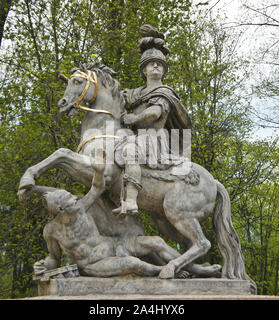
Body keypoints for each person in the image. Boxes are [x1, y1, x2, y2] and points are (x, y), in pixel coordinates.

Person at [33, 150, 221, 278]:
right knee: (133, 264)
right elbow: (53, 259)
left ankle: (196, 268)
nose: (75, 198)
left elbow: (97, 187)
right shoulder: (52, 231)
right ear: (61, 209)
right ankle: (165, 270)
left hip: (115, 245)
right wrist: (43, 265)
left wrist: (98, 170)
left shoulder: (81, 207)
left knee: (155, 241)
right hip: (96, 262)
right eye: (70, 200)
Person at [113, 25, 192, 216]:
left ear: (163, 70)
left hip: (155, 139)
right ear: (144, 70)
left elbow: (154, 114)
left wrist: (133, 117)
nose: (155, 66)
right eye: (151, 64)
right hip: (135, 136)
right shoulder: (135, 93)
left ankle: (131, 201)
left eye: (159, 64)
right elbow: (115, 99)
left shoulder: (165, 92)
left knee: (131, 150)